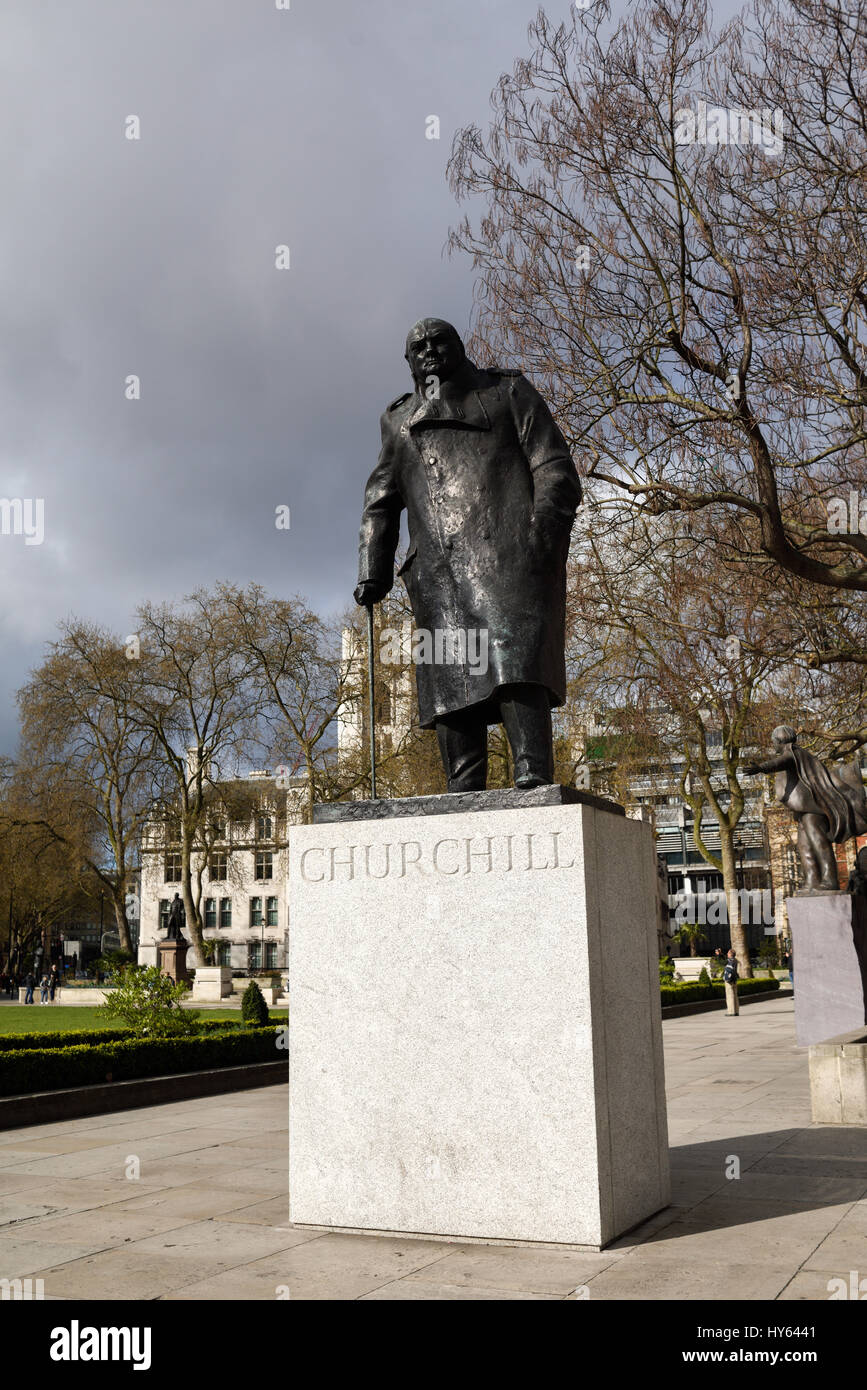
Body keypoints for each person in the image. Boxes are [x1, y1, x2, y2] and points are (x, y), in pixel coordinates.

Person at [354, 318, 582, 791]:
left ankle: (532, 771)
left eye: (441, 342)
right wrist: (372, 569)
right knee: (451, 684)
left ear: (460, 346)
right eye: (419, 346)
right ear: (409, 361)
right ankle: (464, 785)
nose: (430, 351)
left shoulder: (508, 393)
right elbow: (380, 499)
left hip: (510, 557)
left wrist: (541, 532)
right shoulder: (398, 421)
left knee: (515, 663)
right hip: (438, 573)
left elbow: (555, 465)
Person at [723, 948, 739, 1016]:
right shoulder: (734, 960)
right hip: (734, 980)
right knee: (735, 996)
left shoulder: (731, 961)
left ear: (730, 954)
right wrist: (720, 954)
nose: (727, 954)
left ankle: (731, 1012)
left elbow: (730, 970)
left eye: (728, 953)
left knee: (730, 996)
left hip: (729, 981)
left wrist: (728, 979)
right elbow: (724, 960)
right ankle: (736, 1011)